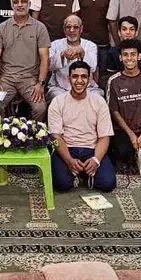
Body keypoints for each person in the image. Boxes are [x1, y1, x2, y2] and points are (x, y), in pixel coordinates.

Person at [48, 61, 116, 192]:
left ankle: (83, 172)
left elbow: (104, 137)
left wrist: (96, 160)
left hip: (92, 149)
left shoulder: (99, 102)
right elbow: (55, 136)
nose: (79, 81)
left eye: (83, 76)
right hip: (67, 149)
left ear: (90, 79)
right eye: (75, 76)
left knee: (108, 184)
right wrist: (69, 160)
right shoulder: (57, 102)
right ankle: (80, 172)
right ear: (69, 79)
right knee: (62, 184)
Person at [0, 0, 50, 120]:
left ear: (29, 4)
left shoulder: (40, 28)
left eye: (23, 1)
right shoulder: (2, 28)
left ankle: (31, 131)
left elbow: (44, 58)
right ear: (12, 5)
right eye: (16, 2)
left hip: (30, 79)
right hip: (7, 78)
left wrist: (41, 84)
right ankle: (1, 131)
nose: (20, 5)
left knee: (40, 108)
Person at [105, 38, 141, 167]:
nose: (129, 58)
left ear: (139, 56)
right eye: (125, 55)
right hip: (123, 130)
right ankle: (131, 158)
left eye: (133, 54)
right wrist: (132, 135)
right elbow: (114, 111)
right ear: (120, 58)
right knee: (123, 151)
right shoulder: (114, 81)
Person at [47, 15, 100, 101]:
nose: (72, 30)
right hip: (60, 88)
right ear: (64, 29)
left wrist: (83, 54)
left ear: (81, 29)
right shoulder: (55, 45)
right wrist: (62, 55)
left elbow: (93, 68)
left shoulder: (90, 45)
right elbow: (48, 66)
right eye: (68, 27)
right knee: (59, 99)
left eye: (76, 27)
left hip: (87, 88)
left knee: (97, 98)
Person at [102, 16, 141, 82]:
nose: (128, 32)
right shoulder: (112, 52)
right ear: (119, 32)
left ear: (136, 32)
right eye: (124, 29)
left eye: (131, 29)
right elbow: (110, 76)